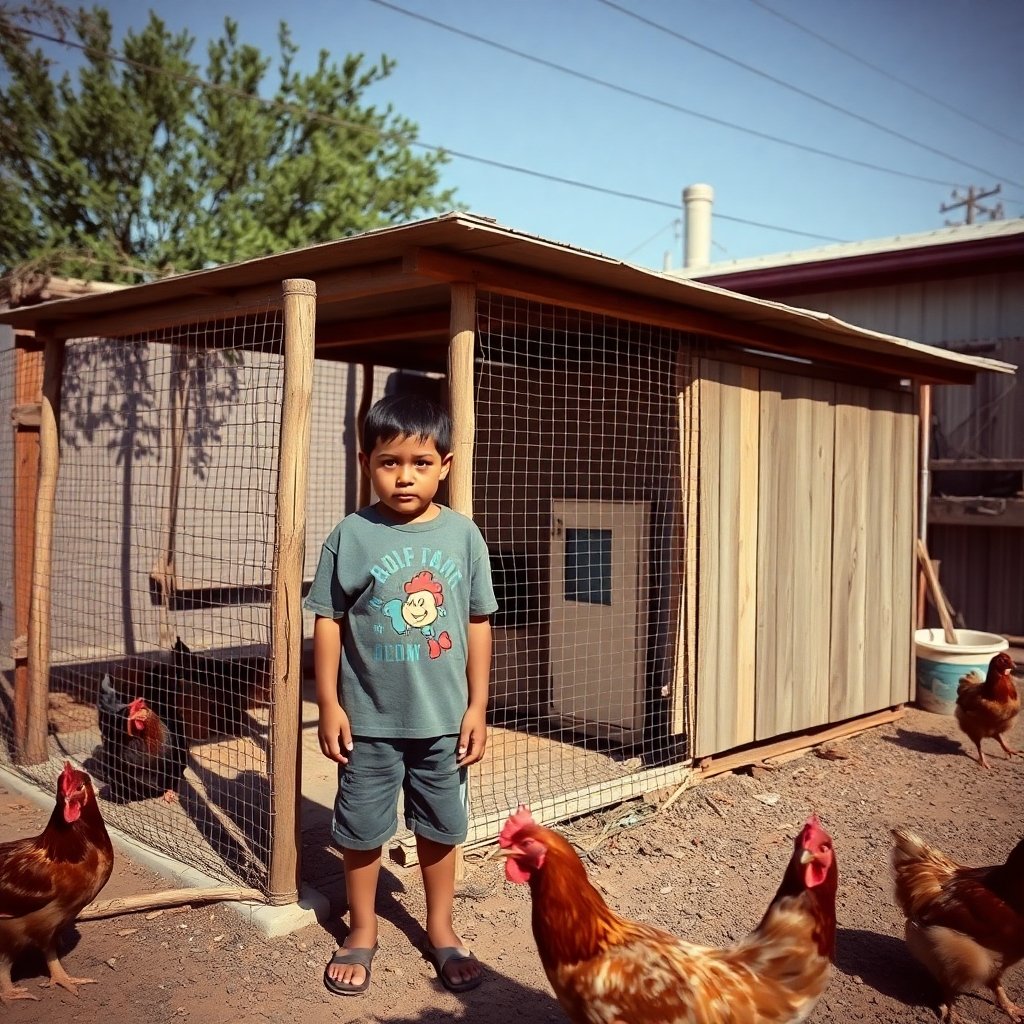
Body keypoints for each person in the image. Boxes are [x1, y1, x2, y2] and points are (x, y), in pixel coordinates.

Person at [304, 392, 497, 997]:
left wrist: (477, 706)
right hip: (368, 722)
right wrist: (330, 703)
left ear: (445, 464)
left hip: (442, 721)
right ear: (367, 462)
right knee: (361, 829)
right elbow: (328, 618)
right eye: (390, 462)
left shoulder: (463, 537)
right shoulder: (351, 535)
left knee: (441, 826)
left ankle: (440, 928)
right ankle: (361, 931)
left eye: (419, 461)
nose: (404, 475)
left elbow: (477, 621)